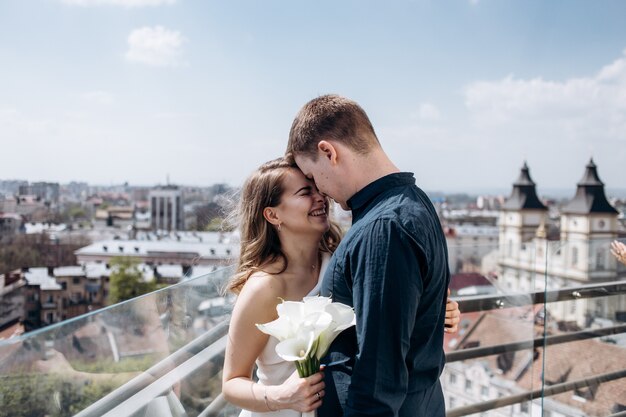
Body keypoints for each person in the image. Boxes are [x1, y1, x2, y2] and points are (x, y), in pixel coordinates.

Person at [221, 157, 460, 416]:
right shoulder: (263, 287)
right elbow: (232, 383)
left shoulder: (337, 259)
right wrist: (281, 397)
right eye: (305, 192)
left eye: (317, 188)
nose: (320, 197)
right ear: (273, 214)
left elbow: (378, 313)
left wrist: (436, 311)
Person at [287, 94, 451, 417]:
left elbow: (378, 381)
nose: (319, 190)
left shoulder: (384, 229)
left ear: (328, 152)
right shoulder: (412, 202)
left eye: (312, 176)